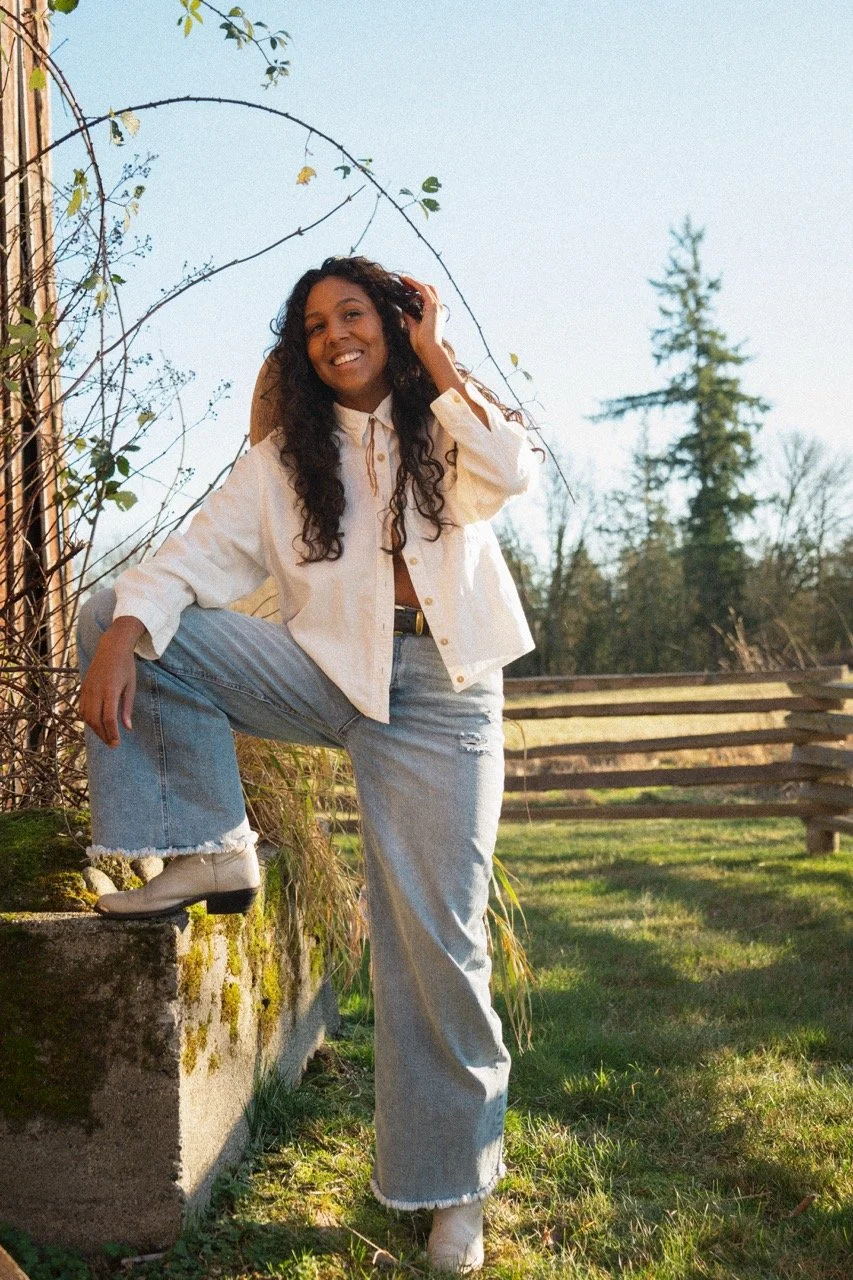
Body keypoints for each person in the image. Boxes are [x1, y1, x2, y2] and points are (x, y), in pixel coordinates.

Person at [77, 255, 540, 1273]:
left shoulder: (444, 419)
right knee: (118, 608)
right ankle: (208, 846)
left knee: (436, 943)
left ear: (393, 322)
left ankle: (453, 1187)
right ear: (300, 350)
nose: (337, 335)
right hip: (329, 676)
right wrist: (121, 638)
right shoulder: (284, 459)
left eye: (354, 314)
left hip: (443, 695)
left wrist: (437, 355)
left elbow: (511, 471)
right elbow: (189, 559)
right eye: (316, 325)